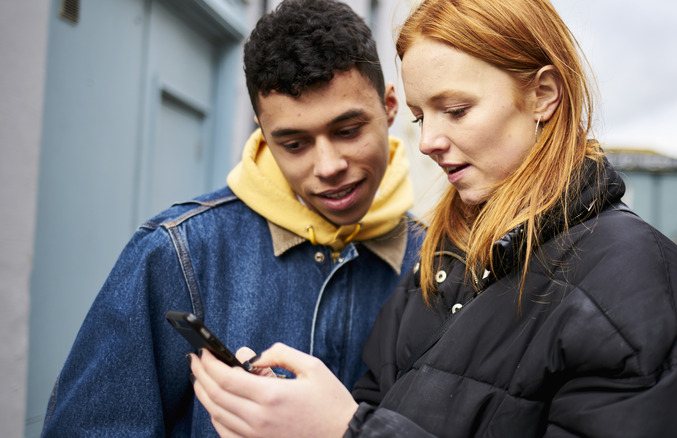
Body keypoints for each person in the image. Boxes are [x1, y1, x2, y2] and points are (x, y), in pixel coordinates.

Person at [189, 0, 677, 436]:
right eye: (422, 115)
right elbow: (376, 402)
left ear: (543, 93)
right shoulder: (445, 254)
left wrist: (343, 431)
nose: (427, 141)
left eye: (455, 110)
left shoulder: (638, 280)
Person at [40, 0, 423, 435]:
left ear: (390, 106)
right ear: (262, 131)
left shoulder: (439, 262)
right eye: (294, 144)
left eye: (348, 130)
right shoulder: (178, 252)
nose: (328, 165)